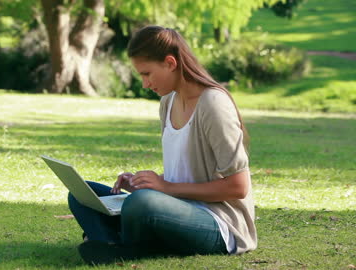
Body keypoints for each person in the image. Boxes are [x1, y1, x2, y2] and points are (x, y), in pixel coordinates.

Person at [68, 25, 257, 265]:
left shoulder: (213, 105)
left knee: (141, 203)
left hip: (219, 224)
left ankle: (114, 242)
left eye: (147, 74)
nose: (145, 84)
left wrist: (163, 188)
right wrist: (146, 183)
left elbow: (238, 187)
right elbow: (187, 174)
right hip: (176, 208)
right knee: (82, 193)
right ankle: (113, 244)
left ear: (170, 62)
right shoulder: (168, 102)